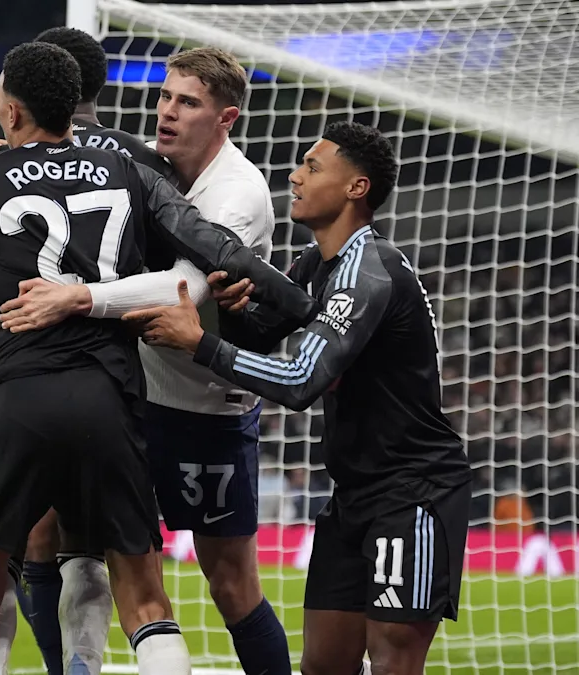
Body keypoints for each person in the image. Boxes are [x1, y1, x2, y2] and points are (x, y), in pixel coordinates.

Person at [0, 41, 318, 675]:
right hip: (111, 398)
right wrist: (295, 303)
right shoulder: (130, 171)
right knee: (145, 603)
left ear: (12, 111)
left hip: (15, 394)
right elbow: (215, 248)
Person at [120, 121, 472, 675]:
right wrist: (229, 314)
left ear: (356, 189)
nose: (295, 175)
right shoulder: (314, 266)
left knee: (393, 657)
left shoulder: (368, 270)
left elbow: (301, 380)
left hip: (413, 492)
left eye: (313, 166)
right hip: (353, 493)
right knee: (322, 664)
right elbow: (259, 333)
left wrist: (200, 343)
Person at [0, 40, 293, 675]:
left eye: (188, 102)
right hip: (133, 397)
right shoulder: (145, 168)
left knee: (231, 582)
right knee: (53, 535)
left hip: (206, 406)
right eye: (164, 97)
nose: (168, 112)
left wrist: (76, 296)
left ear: (226, 118)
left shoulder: (236, 191)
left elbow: (180, 290)